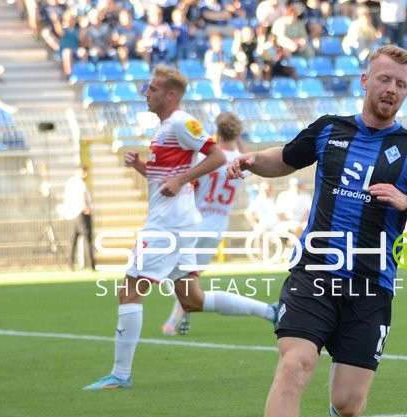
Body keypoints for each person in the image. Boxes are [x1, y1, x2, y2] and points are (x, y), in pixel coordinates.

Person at [225, 45, 407, 417]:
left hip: (371, 286)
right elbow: (284, 159)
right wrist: (249, 160)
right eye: (385, 79)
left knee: (349, 401)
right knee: (294, 365)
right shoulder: (330, 129)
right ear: (365, 80)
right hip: (314, 274)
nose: (392, 90)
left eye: (401, 84)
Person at [82, 66, 277, 391]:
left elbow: (215, 156)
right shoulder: (162, 131)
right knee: (191, 300)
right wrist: (142, 167)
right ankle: (272, 312)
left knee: (129, 289)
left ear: (170, 95)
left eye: (153, 88)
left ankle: (120, 374)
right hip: (181, 222)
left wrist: (182, 179)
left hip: (168, 224)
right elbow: (164, 179)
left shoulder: (181, 122)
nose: (147, 93)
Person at [161, 111, 247, 336]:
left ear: (217, 132)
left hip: (194, 226)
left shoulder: (205, 160)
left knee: (170, 275)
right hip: (216, 230)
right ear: (237, 134)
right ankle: (178, 316)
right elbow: (248, 157)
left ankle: (176, 317)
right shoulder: (240, 161)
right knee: (187, 282)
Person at [60, 165, 96, 270]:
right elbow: (82, 196)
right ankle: (91, 265)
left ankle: (70, 265)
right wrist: (86, 208)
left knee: (72, 241)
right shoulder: (80, 183)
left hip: (71, 215)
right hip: (81, 214)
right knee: (87, 240)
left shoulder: (69, 183)